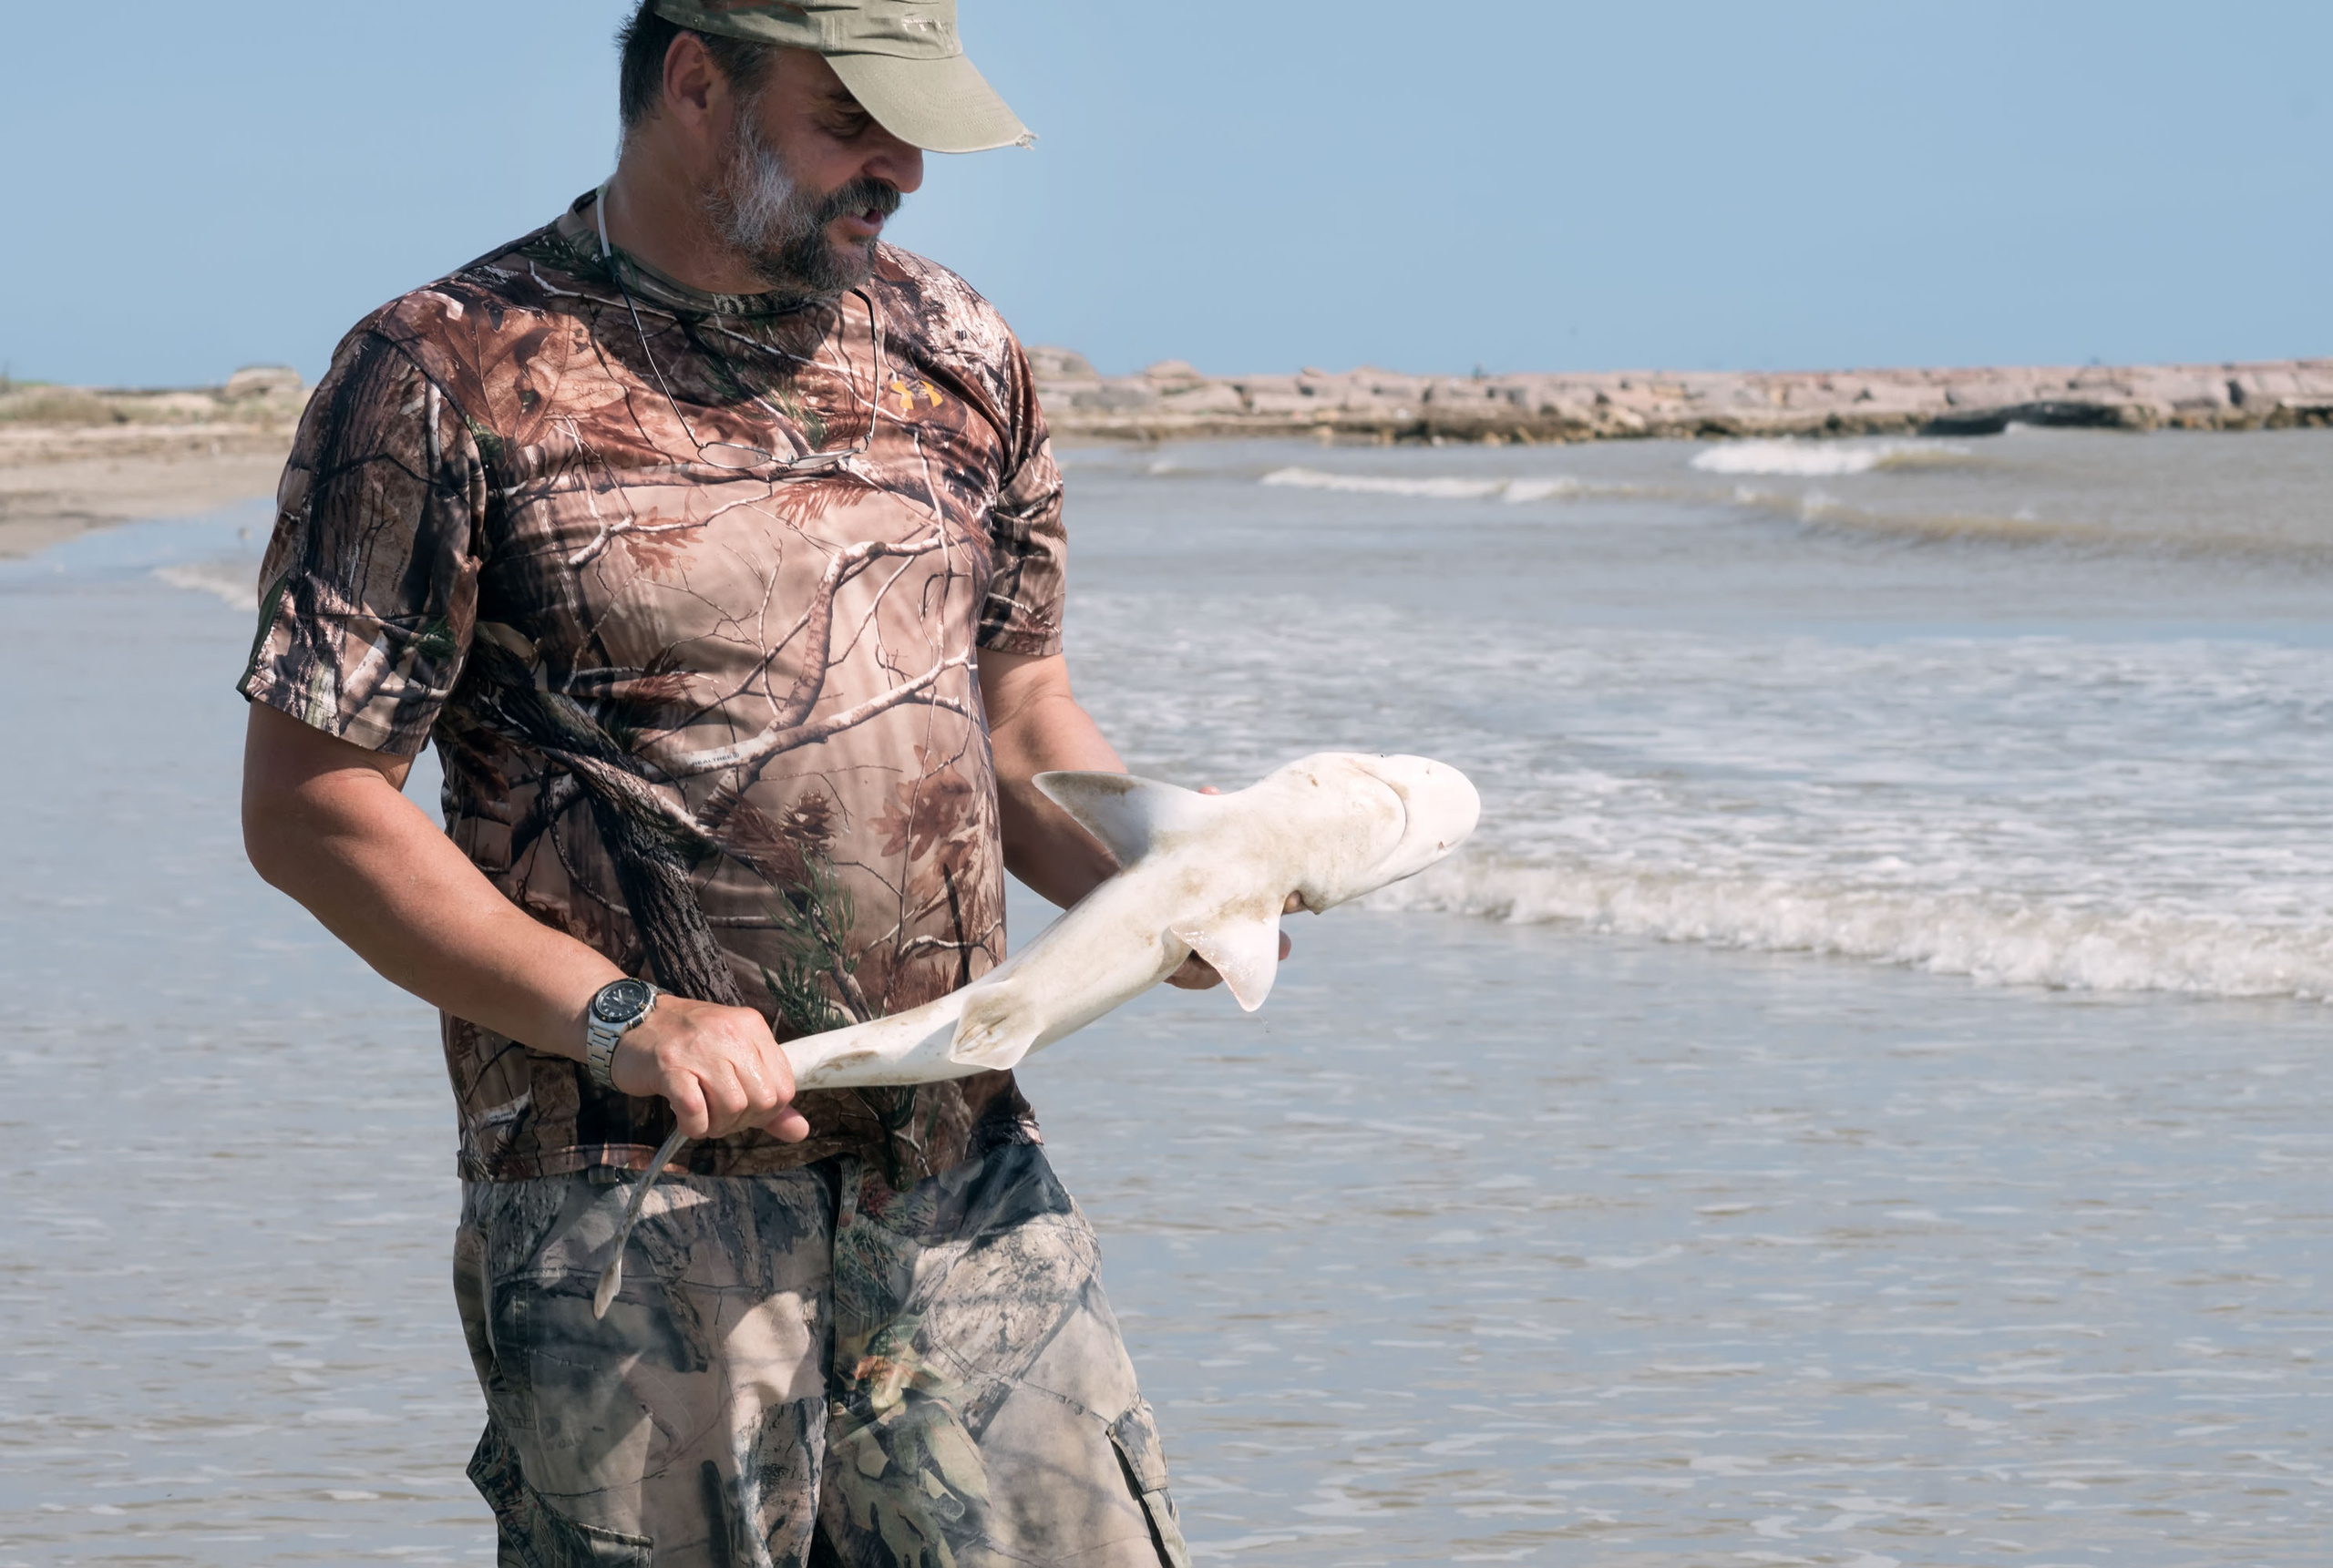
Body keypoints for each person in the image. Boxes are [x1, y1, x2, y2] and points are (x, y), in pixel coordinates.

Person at [237, 4, 1215, 1561]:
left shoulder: (959, 352)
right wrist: (622, 1019)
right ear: (697, 81)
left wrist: (1173, 879)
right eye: (853, 120)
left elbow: (1025, 722)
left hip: (961, 1178)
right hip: (627, 1210)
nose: (901, 168)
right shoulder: (441, 374)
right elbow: (312, 801)